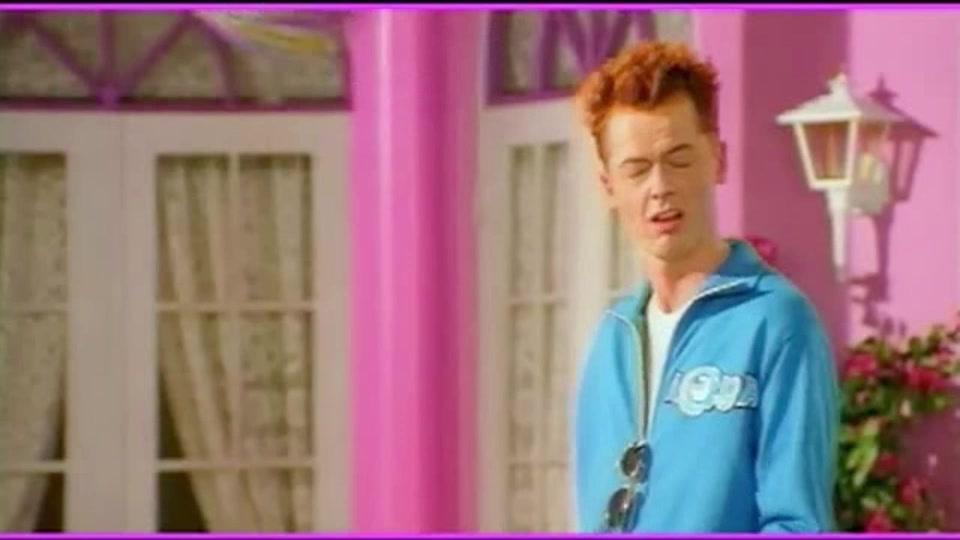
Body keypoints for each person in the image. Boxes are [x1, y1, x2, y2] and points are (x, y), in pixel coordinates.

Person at [570, 41, 839, 533]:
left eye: (679, 159)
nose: (660, 187)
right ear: (608, 186)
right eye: (636, 169)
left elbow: (797, 523)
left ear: (718, 159)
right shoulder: (611, 339)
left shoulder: (777, 322)